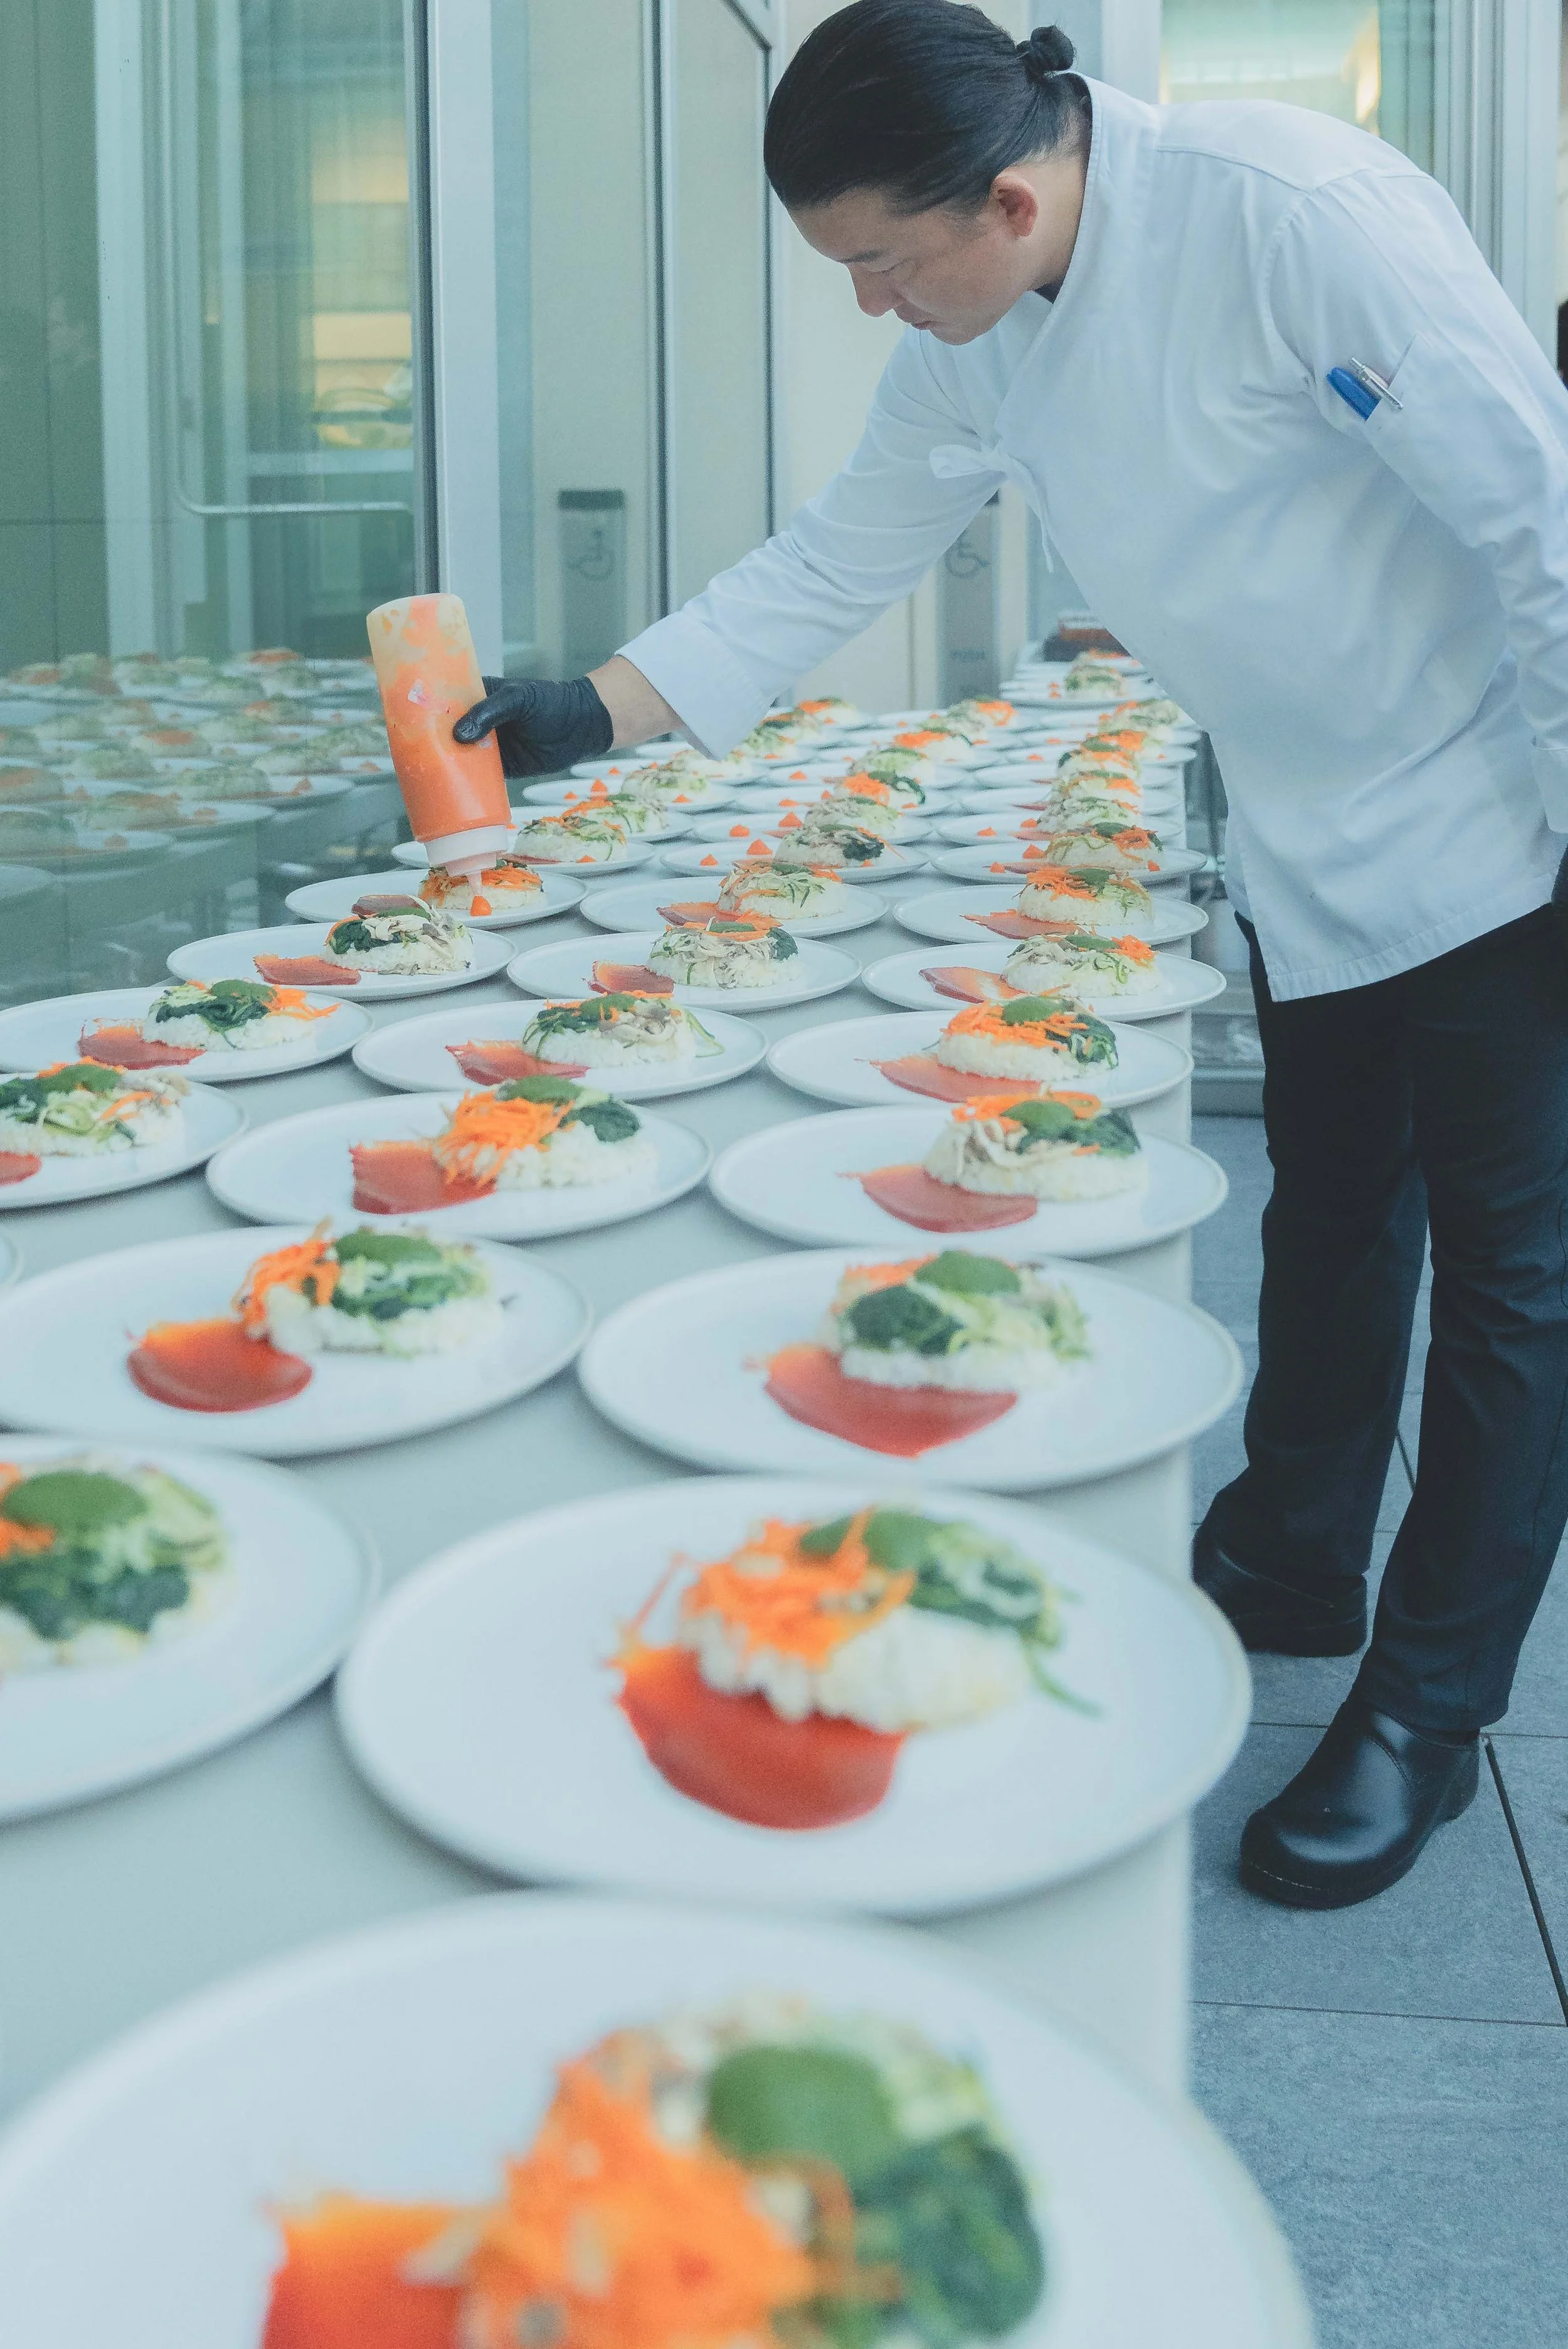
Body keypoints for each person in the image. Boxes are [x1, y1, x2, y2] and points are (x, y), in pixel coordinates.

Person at [455, 1, 1568, 1909]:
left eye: (884, 262)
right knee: (1329, 1212)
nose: (872, 304)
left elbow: (1542, 520)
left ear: (1009, 197)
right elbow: (839, 555)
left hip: (1494, 809)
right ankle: (1296, 1555)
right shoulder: (979, 330)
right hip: (1305, 820)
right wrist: (597, 708)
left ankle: (1427, 1712)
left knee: (1515, 1286)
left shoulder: (1293, 213)